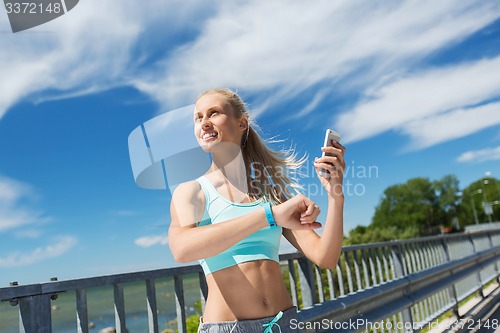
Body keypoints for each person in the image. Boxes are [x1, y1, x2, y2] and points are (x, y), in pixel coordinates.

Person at [168, 88, 345, 332]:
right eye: (198, 117)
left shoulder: (270, 194)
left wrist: (335, 195)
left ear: (242, 123)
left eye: (214, 113)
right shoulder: (193, 192)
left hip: (284, 323)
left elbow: (326, 258)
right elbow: (181, 249)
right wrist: (269, 216)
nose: (204, 123)